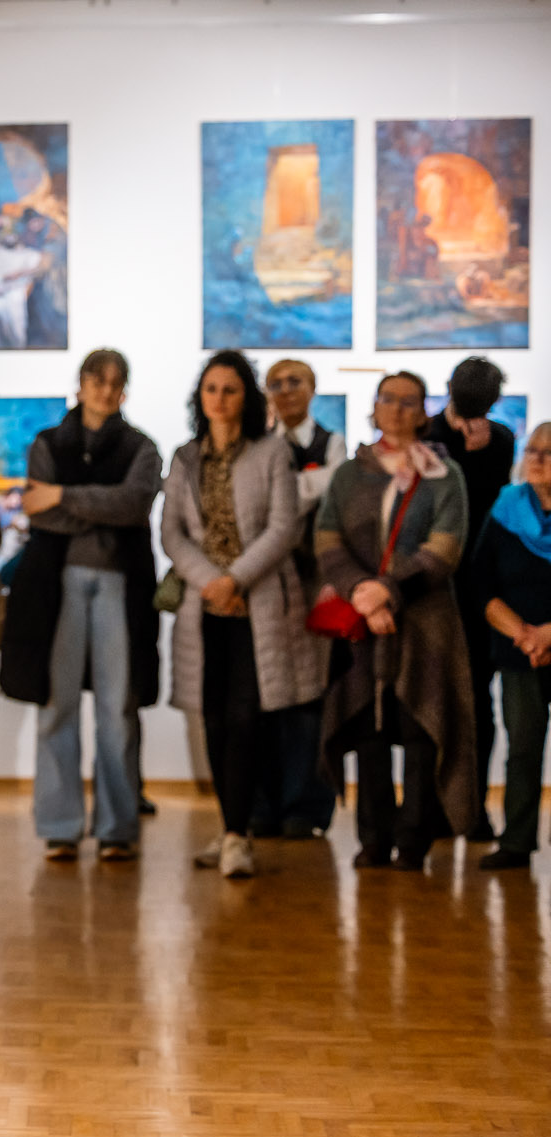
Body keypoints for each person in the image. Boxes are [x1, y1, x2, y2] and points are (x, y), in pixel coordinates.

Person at [0, 349, 161, 861]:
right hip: (56, 585)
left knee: (118, 711)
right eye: (98, 380)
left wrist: (63, 496)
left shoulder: (142, 447)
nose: (106, 391)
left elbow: (134, 505)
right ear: (81, 384)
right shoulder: (48, 443)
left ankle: (117, 827)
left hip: (121, 584)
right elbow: (40, 514)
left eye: (116, 382)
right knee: (56, 705)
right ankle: (59, 825)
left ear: (124, 390)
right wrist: (95, 506)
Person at [160, 351, 316, 880]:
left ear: (245, 397)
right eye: (211, 389)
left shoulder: (272, 452)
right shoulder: (186, 458)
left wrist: (236, 580)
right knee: (213, 716)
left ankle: (236, 834)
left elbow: (284, 527)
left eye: (230, 389)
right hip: (204, 605)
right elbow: (172, 533)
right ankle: (231, 827)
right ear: (199, 397)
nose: (220, 399)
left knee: (247, 718)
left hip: (256, 602)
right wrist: (211, 581)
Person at [318, 373, 475, 871]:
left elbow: (445, 547)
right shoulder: (350, 474)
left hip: (426, 622)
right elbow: (327, 539)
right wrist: (362, 595)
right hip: (363, 622)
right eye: (389, 399)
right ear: (375, 406)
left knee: (420, 731)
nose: (398, 409)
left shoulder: (444, 475)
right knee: (370, 732)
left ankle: (413, 841)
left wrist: (387, 590)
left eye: (410, 401)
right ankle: (373, 839)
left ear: (424, 411)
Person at [423, 356, 516, 843]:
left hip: (480, 587)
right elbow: (434, 504)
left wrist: (478, 454)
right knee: (432, 699)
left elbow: (486, 506)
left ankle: (473, 809)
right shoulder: (427, 435)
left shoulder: (500, 440)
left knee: (479, 702)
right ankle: (430, 808)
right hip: (433, 586)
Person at [259, 358, 344, 840]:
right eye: (276, 383)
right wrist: (306, 486)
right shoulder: (260, 444)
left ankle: (307, 807)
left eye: (295, 382)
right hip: (268, 584)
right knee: (269, 696)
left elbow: (328, 491)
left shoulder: (332, 443)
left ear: (313, 388)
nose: (286, 390)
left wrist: (284, 490)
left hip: (316, 585)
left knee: (311, 699)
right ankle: (267, 805)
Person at [473, 424, 551, 871]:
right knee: (522, 746)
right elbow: (481, 582)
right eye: (533, 450)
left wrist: (548, 635)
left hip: (541, 640)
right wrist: (525, 635)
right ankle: (517, 842)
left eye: (549, 452)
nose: (537, 458)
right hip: (518, 649)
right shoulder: (506, 509)